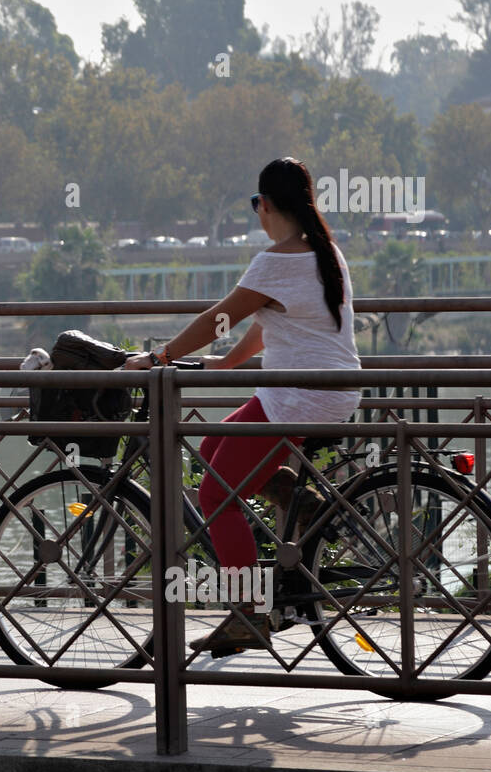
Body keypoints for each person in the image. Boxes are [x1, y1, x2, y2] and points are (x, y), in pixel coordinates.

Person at [125, 157, 361, 653]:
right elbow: (272, 319)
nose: (257, 213)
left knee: (214, 496)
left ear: (266, 205)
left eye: (256, 204)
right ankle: (302, 505)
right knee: (211, 446)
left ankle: (249, 612)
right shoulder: (325, 252)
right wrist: (230, 362)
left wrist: (159, 356)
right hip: (328, 391)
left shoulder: (274, 261)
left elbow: (220, 317)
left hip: (299, 398)